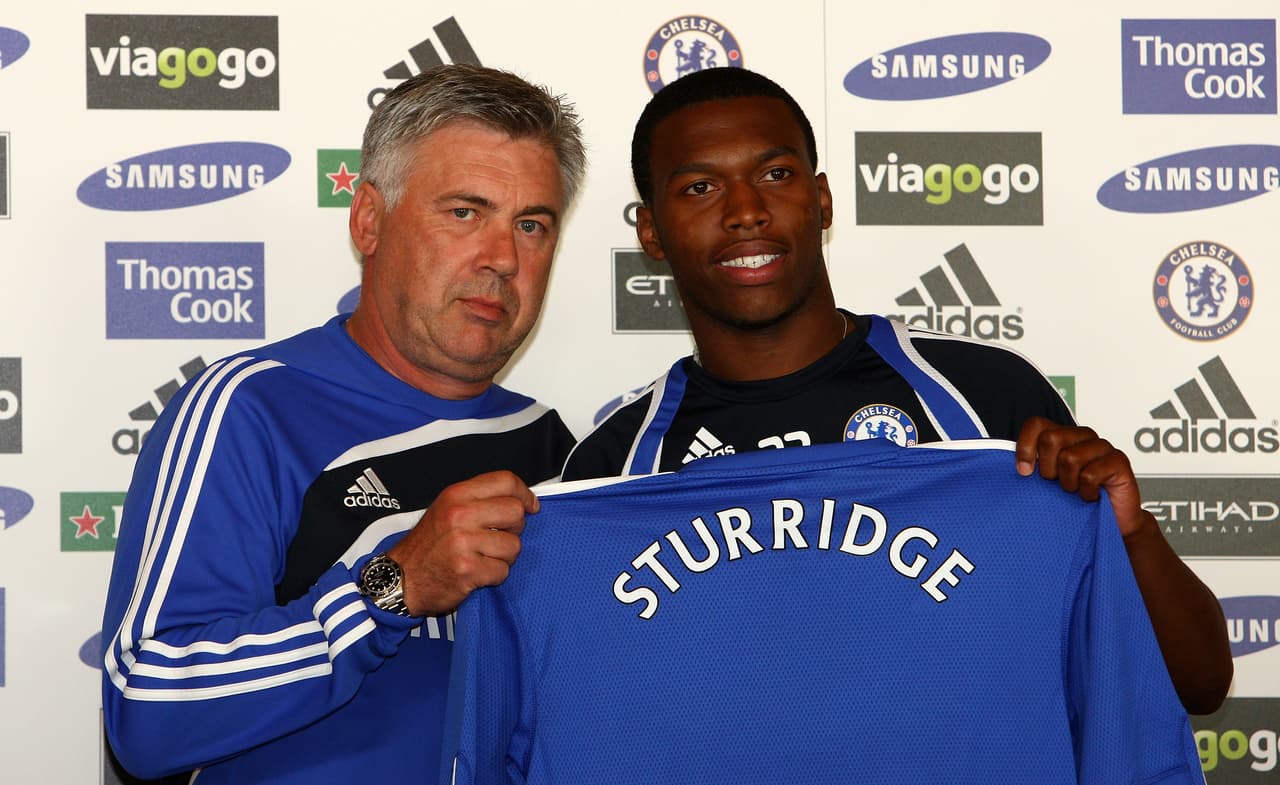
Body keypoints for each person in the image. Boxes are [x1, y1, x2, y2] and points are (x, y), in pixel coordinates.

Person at [562, 67, 1232, 713]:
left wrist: (1131, 533)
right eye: (700, 187)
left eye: (775, 174)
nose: (746, 211)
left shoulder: (984, 399)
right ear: (651, 230)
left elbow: (1197, 683)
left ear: (822, 200)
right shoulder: (610, 470)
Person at [99, 64, 585, 784]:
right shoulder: (249, 410)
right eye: (463, 212)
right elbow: (147, 707)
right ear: (368, 220)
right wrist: (392, 585)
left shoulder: (555, 448)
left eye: (532, 225)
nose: (502, 258)